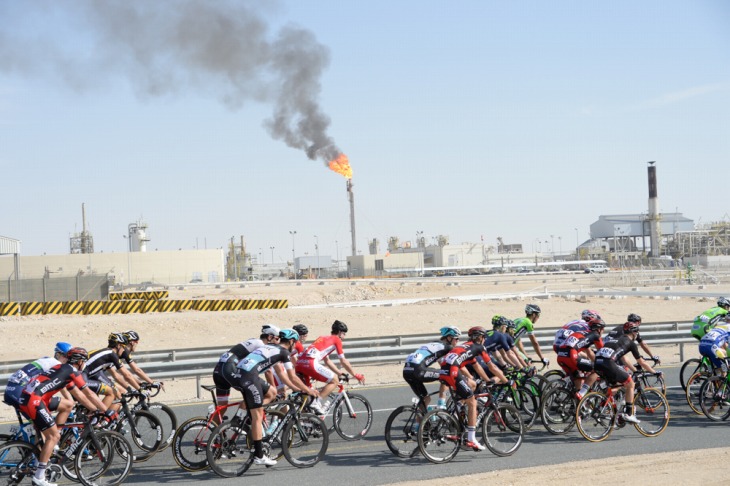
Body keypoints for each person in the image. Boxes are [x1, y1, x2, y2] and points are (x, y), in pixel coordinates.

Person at [18, 347, 115, 486]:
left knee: (48, 436)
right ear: (80, 361)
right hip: (34, 400)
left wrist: (94, 409)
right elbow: (89, 393)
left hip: (27, 398)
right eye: (84, 361)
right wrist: (105, 411)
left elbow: (79, 395)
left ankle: (37, 462)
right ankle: (39, 477)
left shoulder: (62, 368)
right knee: (54, 437)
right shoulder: (72, 371)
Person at [231, 329, 318, 467]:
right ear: (291, 341)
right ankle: (259, 455)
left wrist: (297, 388)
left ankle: (242, 418)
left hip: (238, 374)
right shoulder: (284, 352)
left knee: (270, 392)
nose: (294, 346)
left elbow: (283, 377)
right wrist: (308, 390)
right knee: (258, 416)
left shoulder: (269, 346)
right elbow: (292, 376)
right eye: (294, 343)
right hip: (249, 377)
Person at [438, 326, 508, 451]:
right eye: (484, 337)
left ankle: (455, 413)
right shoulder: (479, 347)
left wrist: (487, 380)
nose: (484, 340)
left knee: (471, 385)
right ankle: (471, 439)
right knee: (472, 402)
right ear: (480, 337)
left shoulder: (466, 346)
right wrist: (505, 381)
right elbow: (492, 367)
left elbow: (477, 367)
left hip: (444, 371)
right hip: (452, 372)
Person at [593, 321, 659, 424]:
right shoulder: (631, 343)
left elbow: (624, 359)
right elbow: (641, 362)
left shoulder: (617, 339)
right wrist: (654, 372)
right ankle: (628, 414)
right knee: (630, 383)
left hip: (597, 363)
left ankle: (602, 407)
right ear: (633, 333)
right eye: (636, 333)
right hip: (608, 363)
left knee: (615, 386)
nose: (637, 335)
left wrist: (635, 370)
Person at [295, 320, 365, 415]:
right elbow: (343, 361)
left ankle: (304, 421)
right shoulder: (337, 340)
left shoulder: (322, 338)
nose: (344, 337)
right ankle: (317, 401)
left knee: (307, 395)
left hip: (299, 364)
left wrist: (339, 372)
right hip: (310, 363)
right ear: (340, 333)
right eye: (344, 334)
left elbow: (327, 361)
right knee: (334, 380)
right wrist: (356, 375)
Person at [212, 325, 280, 410]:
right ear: (270, 337)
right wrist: (274, 390)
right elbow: (268, 371)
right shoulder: (262, 346)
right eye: (277, 339)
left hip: (219, 370)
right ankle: (239, 418)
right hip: (229, 369)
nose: (278, 342)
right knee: (267, 393)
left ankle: (211, 423)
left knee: (221, 408)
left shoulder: (253, 341)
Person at [3, 342, 74, 412]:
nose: (68, 360)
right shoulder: (57, 365)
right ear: (58, 355)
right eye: (66, 356)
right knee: (63, 407)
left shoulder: (45, 359)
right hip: (20, 392)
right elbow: (64, 388)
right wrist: (71, 403)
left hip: (9, 391)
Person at [402, 326, 461, 410]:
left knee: (425, 399)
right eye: (456, 339)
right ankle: (441, 403)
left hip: (406, 371)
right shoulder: (448, 347)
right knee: (446, 374)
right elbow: (450, 366)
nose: (458, 341)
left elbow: (442, 363)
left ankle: (420, 422)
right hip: (417, 370)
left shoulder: (434, 344)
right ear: (449, 338)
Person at [84, 333, 142, 411]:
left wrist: (130, 389)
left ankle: (103, 418)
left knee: (117, 392)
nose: (124, 350)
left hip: (89, 376)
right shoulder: (112, 354)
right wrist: (139, 390)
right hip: (85, 378)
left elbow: (116, 375)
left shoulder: (107, 353)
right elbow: (126, 375)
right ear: (118, 345)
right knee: (114, 393)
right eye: (123, 346)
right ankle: (98, 420)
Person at [556, 311, 605, 399]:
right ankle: (581, 394)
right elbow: (603, 352)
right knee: (597, 370)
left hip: (560, 355)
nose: (603, 331)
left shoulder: (583, 333)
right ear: (599, 329)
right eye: (603, 329)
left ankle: (576, 402)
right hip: (571, 356)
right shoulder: (596, 335)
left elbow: (587, 351)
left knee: (578, 376)